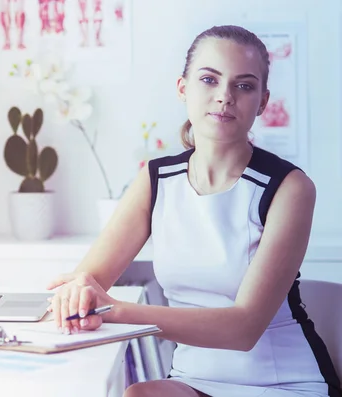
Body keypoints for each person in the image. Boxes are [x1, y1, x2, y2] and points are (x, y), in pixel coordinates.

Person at [46, 25, 342, 397]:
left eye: (244, 86)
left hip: (286, 383)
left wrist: (116, 311)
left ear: (263, 102)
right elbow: (86, 281)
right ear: (183, 89)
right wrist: (74, 295)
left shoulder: (290, 188)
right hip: (193, 379)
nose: (224, 97)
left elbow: (243, 328)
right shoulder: (155, 180)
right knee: (137, 393)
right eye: (209, 79)